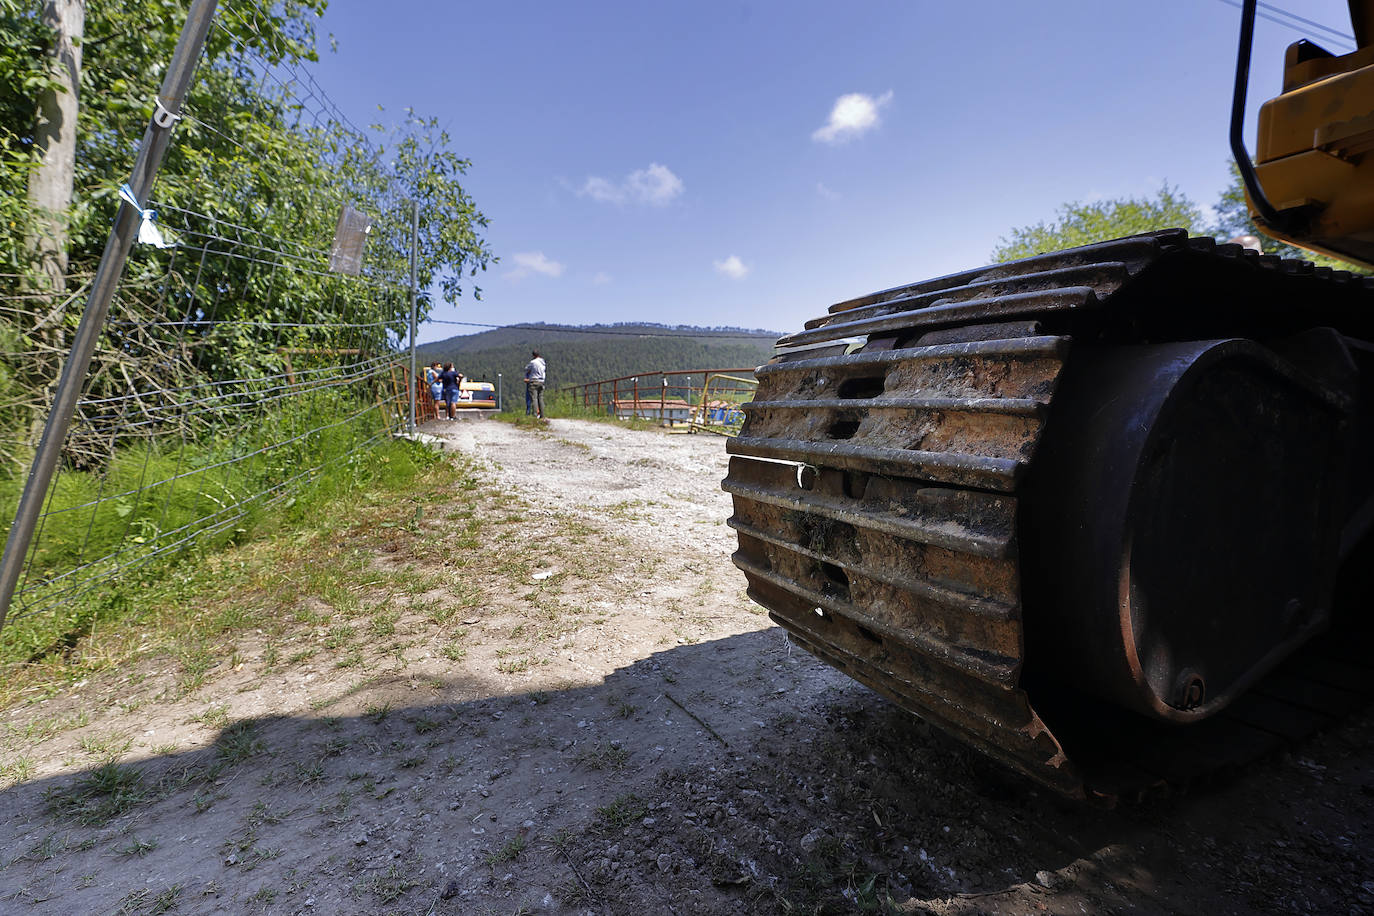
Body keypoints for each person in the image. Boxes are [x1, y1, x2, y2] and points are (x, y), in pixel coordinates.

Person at [524, 350, 546, 419]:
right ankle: (542, 415)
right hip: (541, 381)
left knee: (534, 399)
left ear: (533, 355)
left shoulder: (533, 362)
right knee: (541, 399)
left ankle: (535, 414)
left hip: (534, 381)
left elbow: (526, 368)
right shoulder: (543, 362)